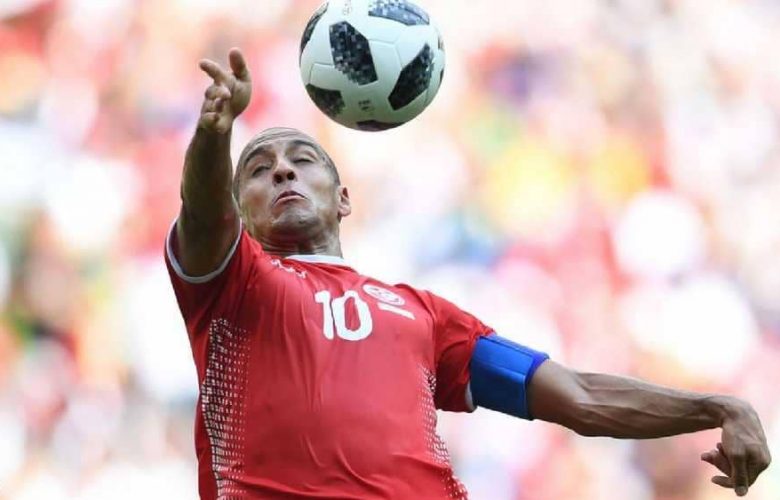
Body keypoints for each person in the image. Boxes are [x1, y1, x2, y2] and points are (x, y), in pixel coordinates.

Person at [165, 48, 771, 500]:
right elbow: (203, 212)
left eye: (302, 160)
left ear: (344, 198)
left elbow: (579, 397)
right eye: (259, 169)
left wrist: (715, 408)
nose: (282, 172)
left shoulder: (424, 315)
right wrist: (216, 134)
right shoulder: (234, 285)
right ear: (240, 210)